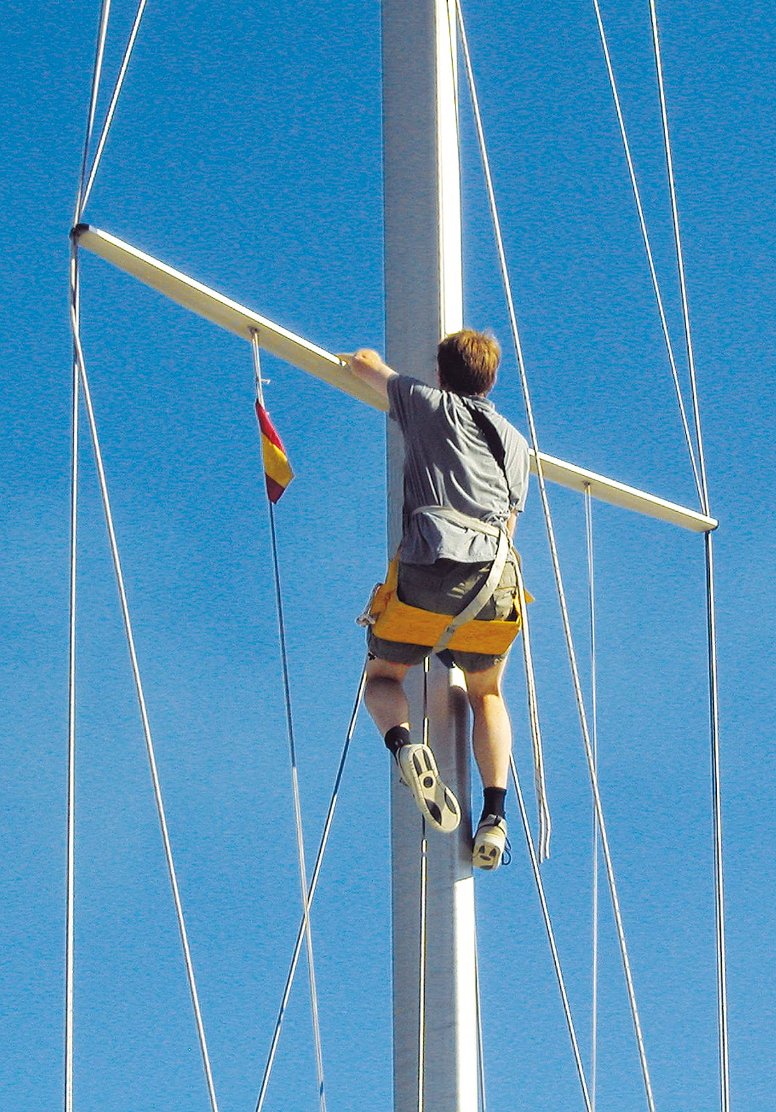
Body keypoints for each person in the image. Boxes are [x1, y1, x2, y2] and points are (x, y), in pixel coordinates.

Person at [342, 331, 530, 870]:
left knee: (383, 678)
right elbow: (511, 526)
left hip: (429, 574)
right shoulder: (516, 444)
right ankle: (494, 814)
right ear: (491, 380)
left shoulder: (425, 403)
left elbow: (365, 365)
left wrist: (361, 358)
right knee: (487, 693)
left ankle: (404, 745)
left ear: (441, 374)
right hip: (493, 585)